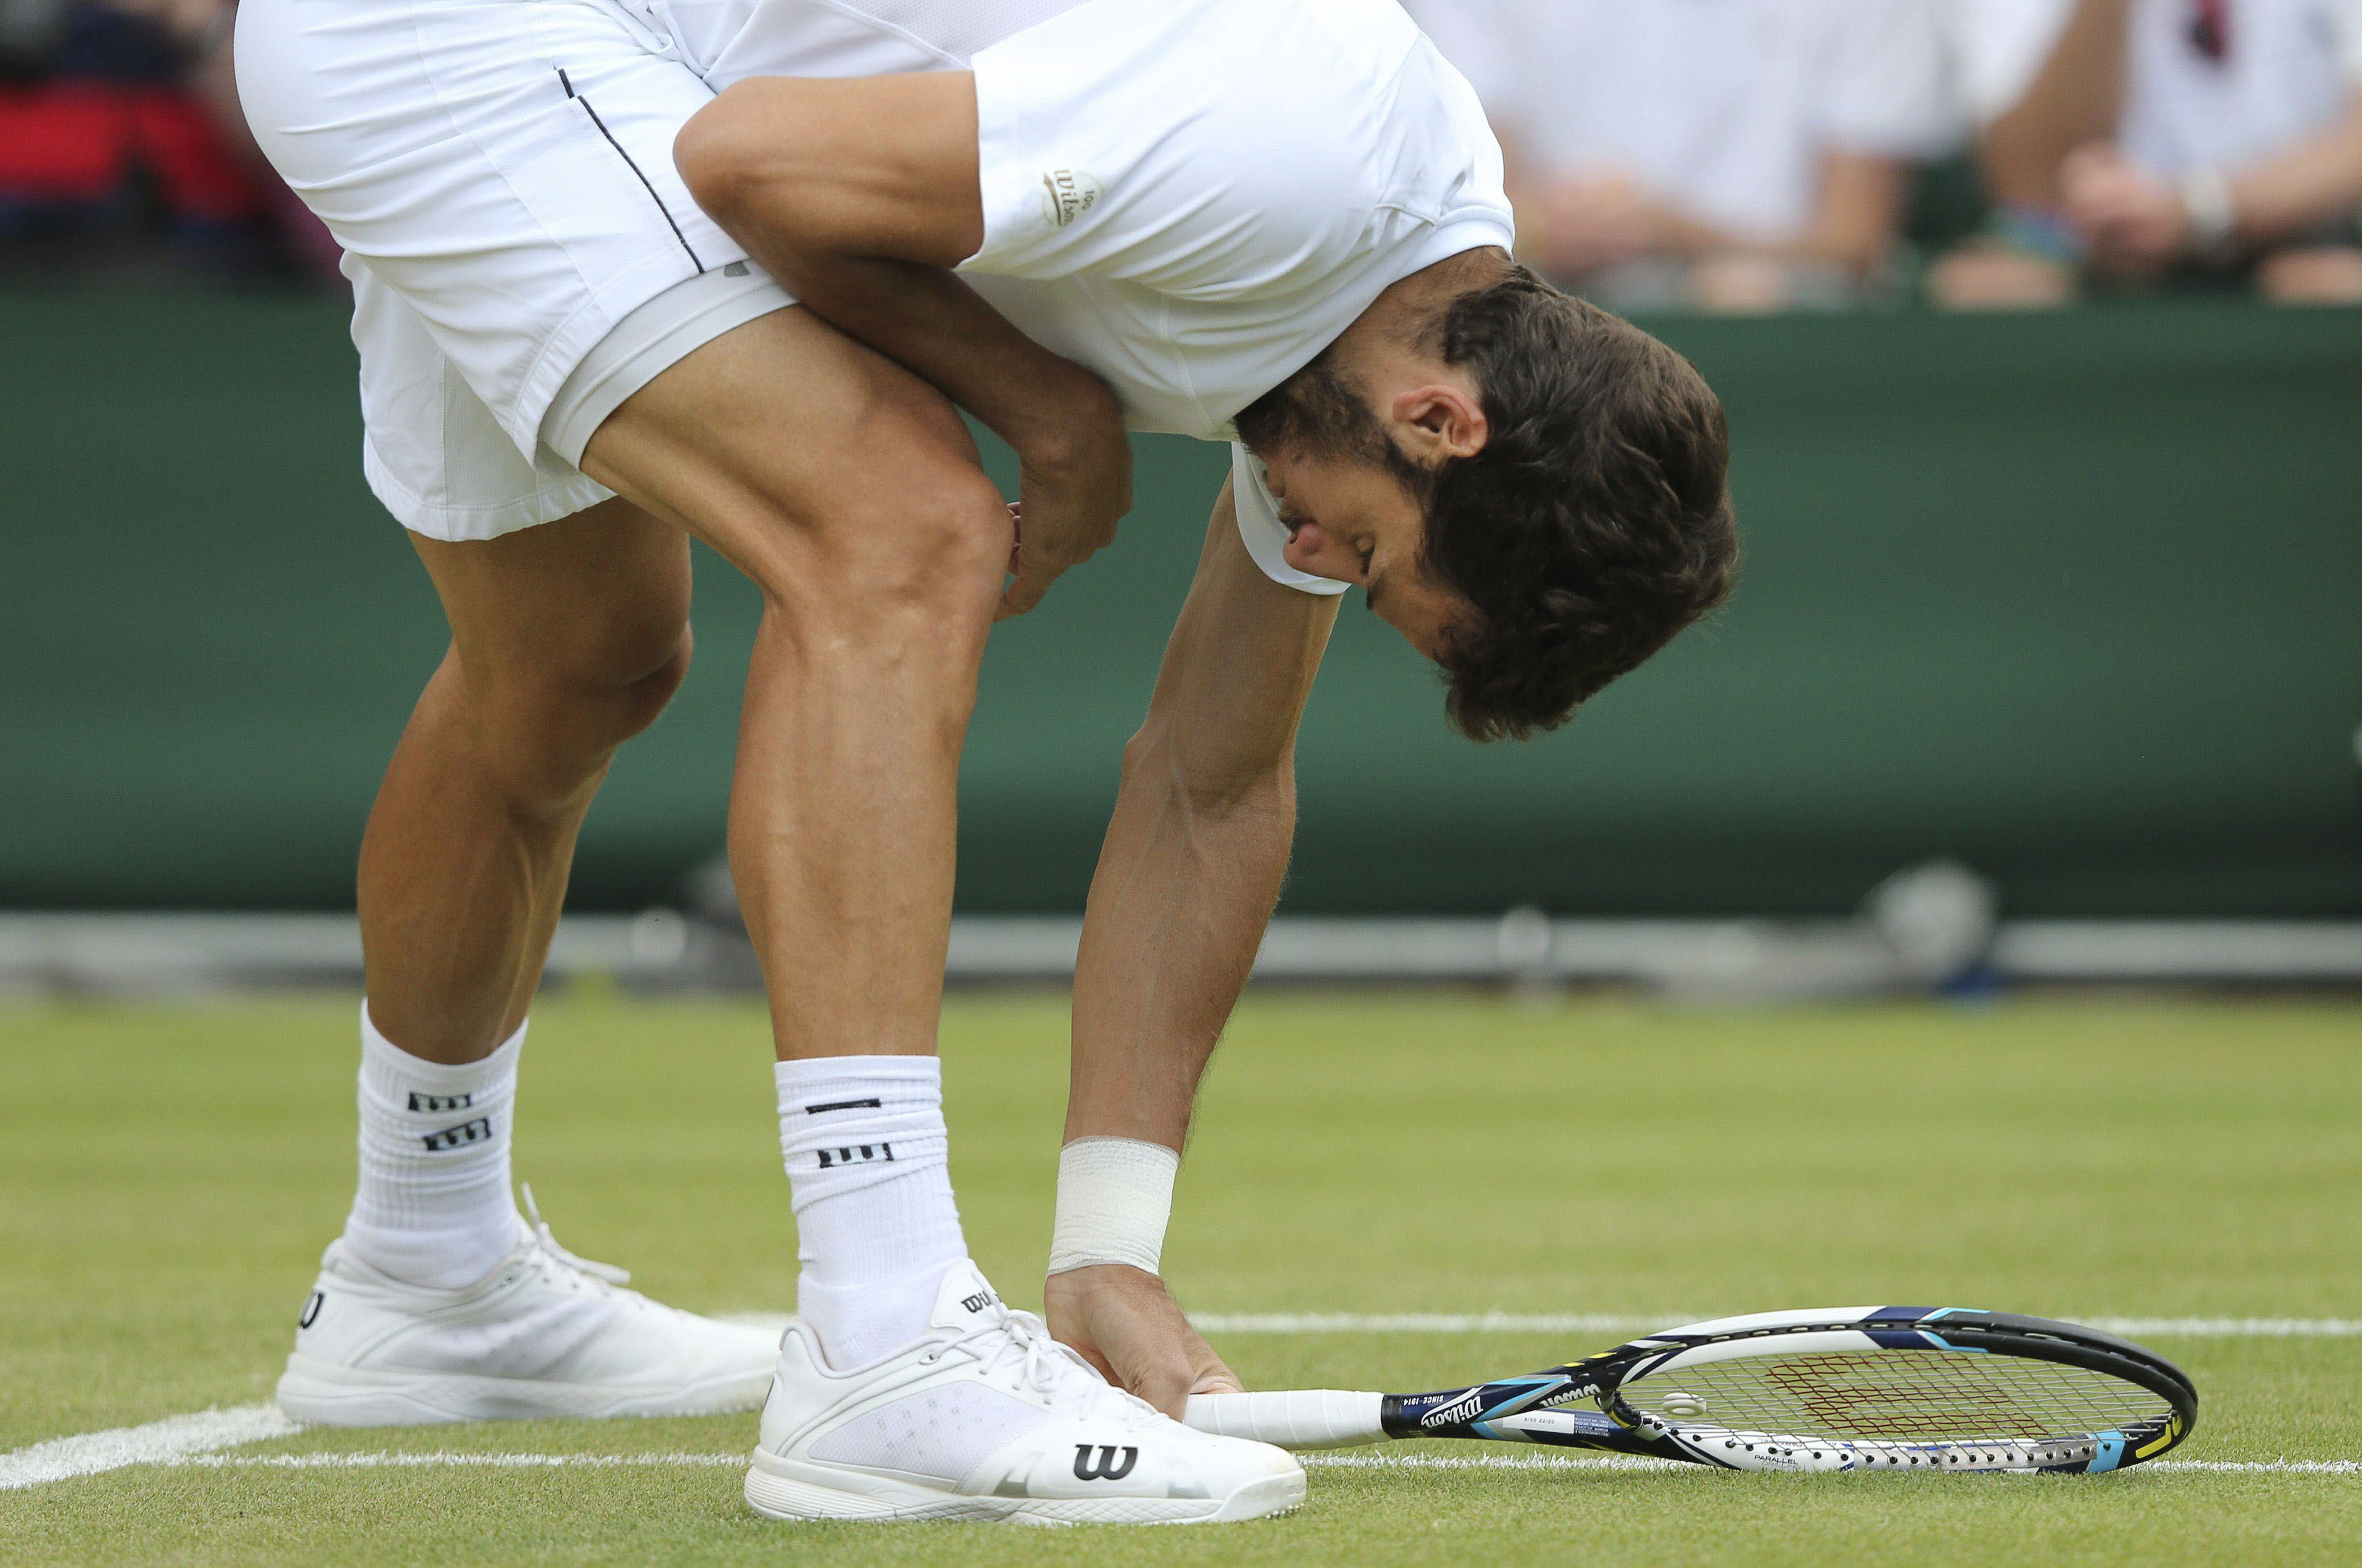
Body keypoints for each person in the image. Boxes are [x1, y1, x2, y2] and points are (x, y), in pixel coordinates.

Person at [233, 0, 1737, 1524]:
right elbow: (748, 162)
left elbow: (1212, 777)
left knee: (573, 669)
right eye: (1370, 552)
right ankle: (883, 1341)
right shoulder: (1291, 159)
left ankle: (426, 1269)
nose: (1311, 555)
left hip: (588, 58)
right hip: (474, 30)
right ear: (1441, 418)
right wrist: (1052, 415)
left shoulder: (1385, 323)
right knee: (897, 526)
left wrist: (1109, 1248)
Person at [1407, 0, 1948, 311]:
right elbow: (1474, 200)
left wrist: (1670, 236)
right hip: (1546, 332)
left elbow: (1856, 243)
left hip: (1791, 336)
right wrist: (1544, 229)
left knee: (1746, 294)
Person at [1934, 0, 2362, 307]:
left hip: (2313, 246)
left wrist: (2201, 212)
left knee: (2316, 280)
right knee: (2003, 285)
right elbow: (2031, 187)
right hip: (2102, 264)